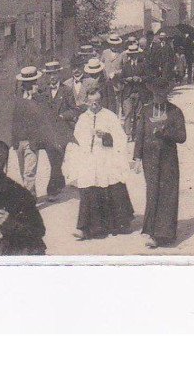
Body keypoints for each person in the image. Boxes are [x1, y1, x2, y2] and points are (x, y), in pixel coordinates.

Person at [66, 90, 134, 239]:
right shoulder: (83, 118)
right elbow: (76, 139)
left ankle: (120, 224)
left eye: (96, 101)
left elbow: (120, 138)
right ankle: (85, 228)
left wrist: (107, 136)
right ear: (87, 102)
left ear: (101, 101)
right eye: (91, 102)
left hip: (107, 156)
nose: (94, 105)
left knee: (113, 186)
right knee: (88, 188)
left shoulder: (109, 116)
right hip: (89, 158)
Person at [134, 79, 187, 248]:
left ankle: (165, 233)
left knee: (168, 193)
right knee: (153, 192)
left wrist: (166, 131)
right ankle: (150, 232)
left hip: (168, 159)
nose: (159, 97)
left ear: (167, 95)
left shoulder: (175, 111)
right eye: (156, 94)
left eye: (162, 95)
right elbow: (140, 134)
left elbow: (182, 137)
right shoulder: (146, 110)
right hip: (150, 159)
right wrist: (137, 157)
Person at [0, 135, 46, 255]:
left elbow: (39, 230)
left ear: (3, 159)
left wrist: (10, 224)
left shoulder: (19, 192)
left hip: (23, 251)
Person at [39, 60, 73, 200]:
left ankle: (52, 190)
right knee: (54, 159)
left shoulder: (66, 91)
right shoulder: (43, 91)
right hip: (48, 131)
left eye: (54, 73)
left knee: (57, 159)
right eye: (49, 74)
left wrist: (62, 115)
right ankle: (59, 181)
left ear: (59, 74)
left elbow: (74, 110)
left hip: (62, 130)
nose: (52, 77)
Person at [14, 65, 43, 197]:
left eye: (32, 82)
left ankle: (28, 202)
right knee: (23, 172)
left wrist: (35, 98)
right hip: (19, 140)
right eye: (26, 83)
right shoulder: (17, 96)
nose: (29, 85)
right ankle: (32, 195)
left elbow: (43, 115)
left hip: (32, 140)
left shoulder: (40, 97)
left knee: (29, 173)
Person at [119, 40, 147, 141]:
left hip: (139, 92)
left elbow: (148, 77)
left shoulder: (143, 64)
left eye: (135, 54)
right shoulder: (125, 65)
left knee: (138, 115)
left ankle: (137, 134)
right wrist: (127, 79)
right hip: (128, 93)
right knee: (127, 114)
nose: (133, 56)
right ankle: (128, 134)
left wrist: (140, 79)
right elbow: (121, 78)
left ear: (138, 54)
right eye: (131, 54)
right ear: (129, 55)